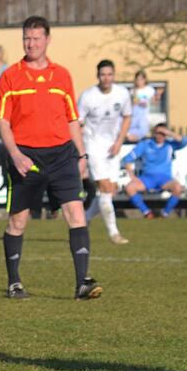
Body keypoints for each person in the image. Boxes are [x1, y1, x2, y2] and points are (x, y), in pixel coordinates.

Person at [0, 15, 100, 300]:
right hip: (26, 156)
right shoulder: (10, 76)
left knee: (76, 213)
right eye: (27, 39)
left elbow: (72, 119)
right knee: (19, 220)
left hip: (62, 154)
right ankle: (14, 282)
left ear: (47, 40)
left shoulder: (62, 75)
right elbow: (3, 122)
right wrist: (15, 154)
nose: (31, 43)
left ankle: (82, 284)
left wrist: (81, 155)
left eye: (36, 38)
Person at [77, 59, 132, 244]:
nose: (106, 78)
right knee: (105, 187)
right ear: (97, 76)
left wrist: (119, 141)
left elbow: (127, 117)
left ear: (114, 75)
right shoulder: (88, 96)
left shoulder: (122, 93)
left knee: (109, 193)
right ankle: (114, 233)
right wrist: (81, 149)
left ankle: (83, 221)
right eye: (103, 75)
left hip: (113, 147)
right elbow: (77, 123)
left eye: (109, 74)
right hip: (93, 146)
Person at [120, 123, 187, 218]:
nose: (160, 135)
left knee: (178, 188)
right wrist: (132, 176)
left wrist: (169, 132)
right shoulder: (146, 144)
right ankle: (147, 213)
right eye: (158, 133)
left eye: (163, 133)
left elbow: (185, 141)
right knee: (129, 188)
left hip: (165, 179)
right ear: (154, 133)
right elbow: (127, 159)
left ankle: (165, 214)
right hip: (147, 178)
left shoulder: (169, 145)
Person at [126, 69, 157, 142]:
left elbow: (154, 103)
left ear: (145, 80)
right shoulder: (132, 91)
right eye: (138, 79)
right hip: (135, 116)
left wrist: (145, 103)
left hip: (145, 116)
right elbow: (130, 105)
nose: (139, 81)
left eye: (141, 79)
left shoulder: (149, 90)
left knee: (143, 132)